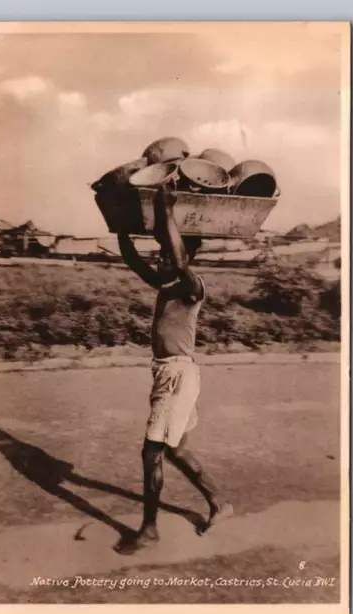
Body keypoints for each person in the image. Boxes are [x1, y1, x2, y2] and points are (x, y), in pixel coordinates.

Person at [115, 184, 233, 555]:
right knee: (178, 449)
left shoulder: (191, 285)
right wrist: (121, 228)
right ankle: (220, 503)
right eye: (160, 255)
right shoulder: (165, 285)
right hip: (168, 373)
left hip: (178, 377)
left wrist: (166, 209)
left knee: (152, 453)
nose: (159, 261)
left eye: (164, 255)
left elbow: (180, 261)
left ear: (185, 254)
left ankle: (149, 529)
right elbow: (133, 261)